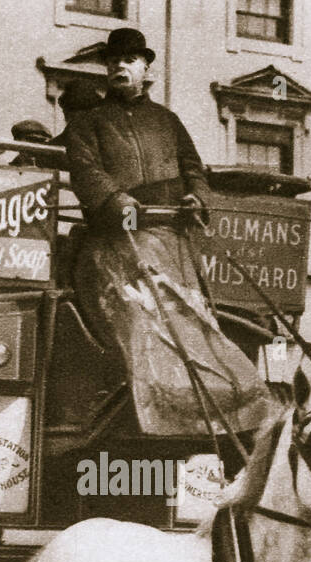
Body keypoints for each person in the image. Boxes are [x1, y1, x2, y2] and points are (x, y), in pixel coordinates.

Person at [64, 28, 275, 440]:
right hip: (114, 243)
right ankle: (162, 405)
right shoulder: (88, 124)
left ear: (146, 67)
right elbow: (86, 171)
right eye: (112, 61)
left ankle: (230, 403)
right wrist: (115, 201)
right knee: (143, 313)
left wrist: (197, 197)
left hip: (172, 243)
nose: (119, 67)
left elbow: (193, 168)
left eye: (128, 60)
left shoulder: (167, 121)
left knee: (193, 317)